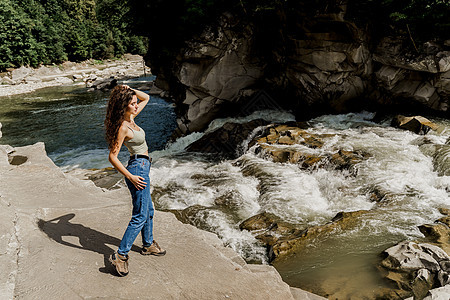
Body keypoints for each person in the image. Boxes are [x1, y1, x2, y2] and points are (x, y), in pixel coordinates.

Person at [104, 84, 166, 277]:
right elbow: (112, 157)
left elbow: (146, 97)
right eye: (132, 103)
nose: (136, 104)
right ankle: (120, 255)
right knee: (140, 214)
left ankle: (148, 245)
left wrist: (129, 89)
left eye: (134, 102)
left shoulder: (132, 118)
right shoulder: (123, 126)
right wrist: (130, 176)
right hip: (137, 169)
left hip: (144, 166)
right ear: (124, 107)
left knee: (148, 210)